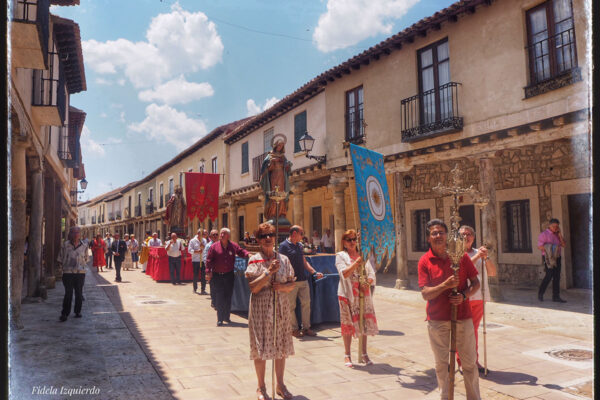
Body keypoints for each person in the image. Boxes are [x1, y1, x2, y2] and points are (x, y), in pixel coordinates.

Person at [418, 219, 480, 400]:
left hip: (463, 316)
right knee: (442, 364)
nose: (438, 236)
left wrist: (463, 296)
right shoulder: (424, 261)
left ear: (447, 236)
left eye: (441, 232)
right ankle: (445, 397)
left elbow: (476, 284)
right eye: (434, 233)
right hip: (437, 319)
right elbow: (425, 294)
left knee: (469, 363)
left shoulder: (461, 256)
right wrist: (445, 285)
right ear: (428, 238)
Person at [246, 222, 296, 400]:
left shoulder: (283, 259)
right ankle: (261, 387)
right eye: (263, 236)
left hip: (280, 309)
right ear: (258, 240)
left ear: (275, 238)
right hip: (260, 310)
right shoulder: (254, 259)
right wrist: (268, 272)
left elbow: (292, 284)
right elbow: (253, 287)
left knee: (280, 347)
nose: (267, 239)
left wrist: (282, 286)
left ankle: (280, 385)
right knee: (261, 347)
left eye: (271, 235)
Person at [335, 229, 378, 367]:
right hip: (347, 294)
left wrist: (368, 283)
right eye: (349, 240)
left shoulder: (363, 255)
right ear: (344, 242)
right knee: (347, 325)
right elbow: (344, 273)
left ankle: (364, 353)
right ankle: (347, 355)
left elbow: (371, 273)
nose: (352, 242)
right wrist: (356, 263)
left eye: (354, 239)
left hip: (362, 294)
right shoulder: (341, 256)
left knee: (363, 323)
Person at [457, 225, 497, 373]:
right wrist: (477, 257)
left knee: (473, 331)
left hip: (479, 297)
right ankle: (461, 361)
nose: (466, 237)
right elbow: (463, 269)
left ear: (473, 237)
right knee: (463, 331)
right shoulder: (457, 254)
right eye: (462, 235)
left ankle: (473, 360)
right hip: (463, 296)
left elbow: (492, 273)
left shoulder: (478, 253)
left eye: (468, 234)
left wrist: (486, 257)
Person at [279, 225, 323, 338]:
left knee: (306, 304)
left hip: (303, 280)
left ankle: (306, 328)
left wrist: (314, 272)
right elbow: (281, 264)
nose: (303, 236)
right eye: (301, 233)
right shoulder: (283, 246)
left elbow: (304, 262)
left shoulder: (299, 245)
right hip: (291, 281)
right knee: (291, 306)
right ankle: (293, 329)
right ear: (294, 233)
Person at [206, 227, 249, 326]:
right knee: (220, 296)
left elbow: (241, 252)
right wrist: (208, 272)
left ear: (228, 236)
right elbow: (209, 260)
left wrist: (249, 254)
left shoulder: (233, 246)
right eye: (221, 233)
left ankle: (227, 317)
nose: (221, 235)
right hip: (217, 275)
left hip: (229, 275)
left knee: (228, 296)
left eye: (223, 233)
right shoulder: (214, 247)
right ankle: (220, 319)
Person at [57, 226, 88, 321]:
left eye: (77, 232)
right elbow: (60, 258)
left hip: (80, 273)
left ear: (80, 234)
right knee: (68, 293)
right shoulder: (65, 245)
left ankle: (77, 311)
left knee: (79, 293)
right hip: (68, 273)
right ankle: (65, 313)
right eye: (73, 232)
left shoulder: (84, 246)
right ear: (70, 234)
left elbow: (86, 258)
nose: (75, 234)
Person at [259, 134, 292, 220]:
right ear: (276, 145)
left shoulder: (283, 156)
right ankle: (272, 214)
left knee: (281, 194)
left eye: (282, 146)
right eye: (279, 145)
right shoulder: (270, 155)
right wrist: (272, 162)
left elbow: (287, 168)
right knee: (274, 194)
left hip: (281, 176)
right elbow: (266, 168)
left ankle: (281, 213)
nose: (280, 147)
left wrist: (287, 165)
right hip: (273, 176)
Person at [538, 218, 567, 303]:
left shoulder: (557, 234)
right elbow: (539, 247)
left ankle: (556, 297)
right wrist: (552, 248)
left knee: (557, 277)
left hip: (557, 257)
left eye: (557, 226)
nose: (555, 228)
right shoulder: (544, 234)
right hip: (548, 258)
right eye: (553, 226)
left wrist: (560, 235)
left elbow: (564, 245)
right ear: (549, 226)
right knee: (549, 275)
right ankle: (540, 294)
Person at [203, 230, 219, 308]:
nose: (215, 236)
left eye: (216, 234)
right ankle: (214, 301)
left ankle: (218, 301)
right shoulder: (208, 246)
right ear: (210, 237)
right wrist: (208, 270)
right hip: (212, 270)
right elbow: (205, 258)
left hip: (220, 269)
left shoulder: (221, 245)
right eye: (213, 235)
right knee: (213, 286)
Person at [188, 229, 206, 294]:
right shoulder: (192, 241)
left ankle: (203, 289)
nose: (203, 235)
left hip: (203, 260)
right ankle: (195, 288)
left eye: (203, 234)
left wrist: (203, 246)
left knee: (203, 275)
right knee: (195, 275)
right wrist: (196, 251)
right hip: (195, 260)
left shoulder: (204, 240)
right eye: (202, 234)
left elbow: (206, 248)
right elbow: (189, 250)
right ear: (198, 234)